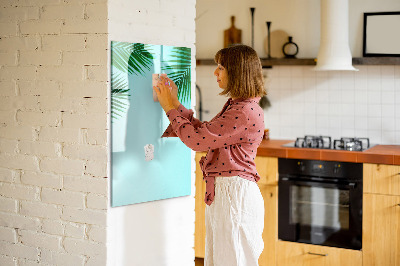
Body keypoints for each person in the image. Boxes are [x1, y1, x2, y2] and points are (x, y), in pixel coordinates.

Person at [153, 44, 266, 266]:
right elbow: (205, 133)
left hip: (234, 195)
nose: (215, 72)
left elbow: (197, 141)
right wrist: (175, 104)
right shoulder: (239, 106)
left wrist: (169, 108)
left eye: (221, 67)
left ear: (237, 71)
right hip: (228, 193)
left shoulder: (243, 111)